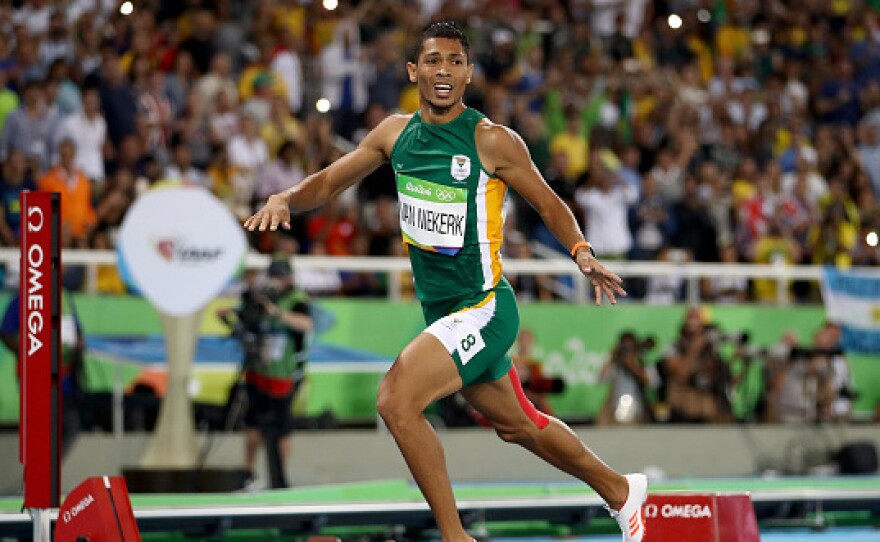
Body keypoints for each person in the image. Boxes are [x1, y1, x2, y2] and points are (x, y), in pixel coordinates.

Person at [246, 22, 647, 541]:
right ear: (415, 71)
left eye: (456, 62)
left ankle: (455, 537)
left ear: (469, 73)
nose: (444, 71)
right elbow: (326, 183)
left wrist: (582, 252)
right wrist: (284, 198)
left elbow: (549, 203)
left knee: (395, 399)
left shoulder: (491, 140)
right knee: (518, 425)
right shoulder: (394, 133)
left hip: (484, 308)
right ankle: (621, 490)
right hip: (442, 314)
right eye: (434, 61)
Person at [219, 259, 313, 489]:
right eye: (274, 276)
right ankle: (247, 472)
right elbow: (242, 319)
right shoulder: (257, 295)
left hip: (282, 373)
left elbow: (306, 324)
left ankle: (279, 477)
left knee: (281, 427)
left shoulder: (296, 301)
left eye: (281, 277)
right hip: (256, 370)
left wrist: (277, 313)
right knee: (253, 422)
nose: (277, 281)